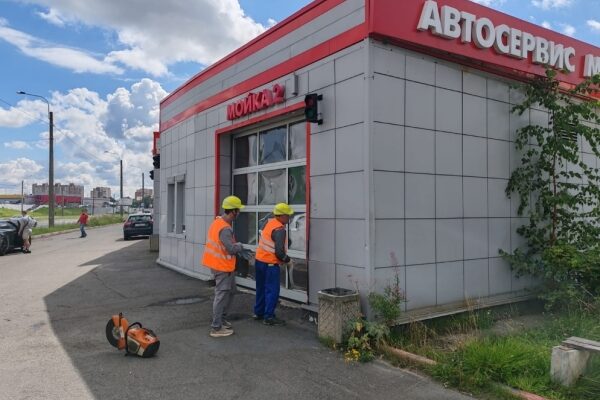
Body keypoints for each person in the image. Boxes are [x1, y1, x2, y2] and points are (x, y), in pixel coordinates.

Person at [201, 195, 252, 338]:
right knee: (221, 295)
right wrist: (241, 246)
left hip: (221, 265)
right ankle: (216, 328)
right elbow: (230, 248)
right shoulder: (225, 228)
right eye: (238, 210)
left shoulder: (218, 222)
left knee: (230, 292)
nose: (239, 213)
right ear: (233, 211)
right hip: (222, 267)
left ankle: (221, 319)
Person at [254, 203, 294, 326]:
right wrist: (287, 260)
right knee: (272, 291)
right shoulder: (280, 230)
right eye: (288, 215)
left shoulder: (269, 223)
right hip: (270, 265)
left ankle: (259, 312)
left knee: (261, 288)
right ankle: (269, 317)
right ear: (281, 215)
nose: (289, 218)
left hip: (259, 261)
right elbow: (279, 252)